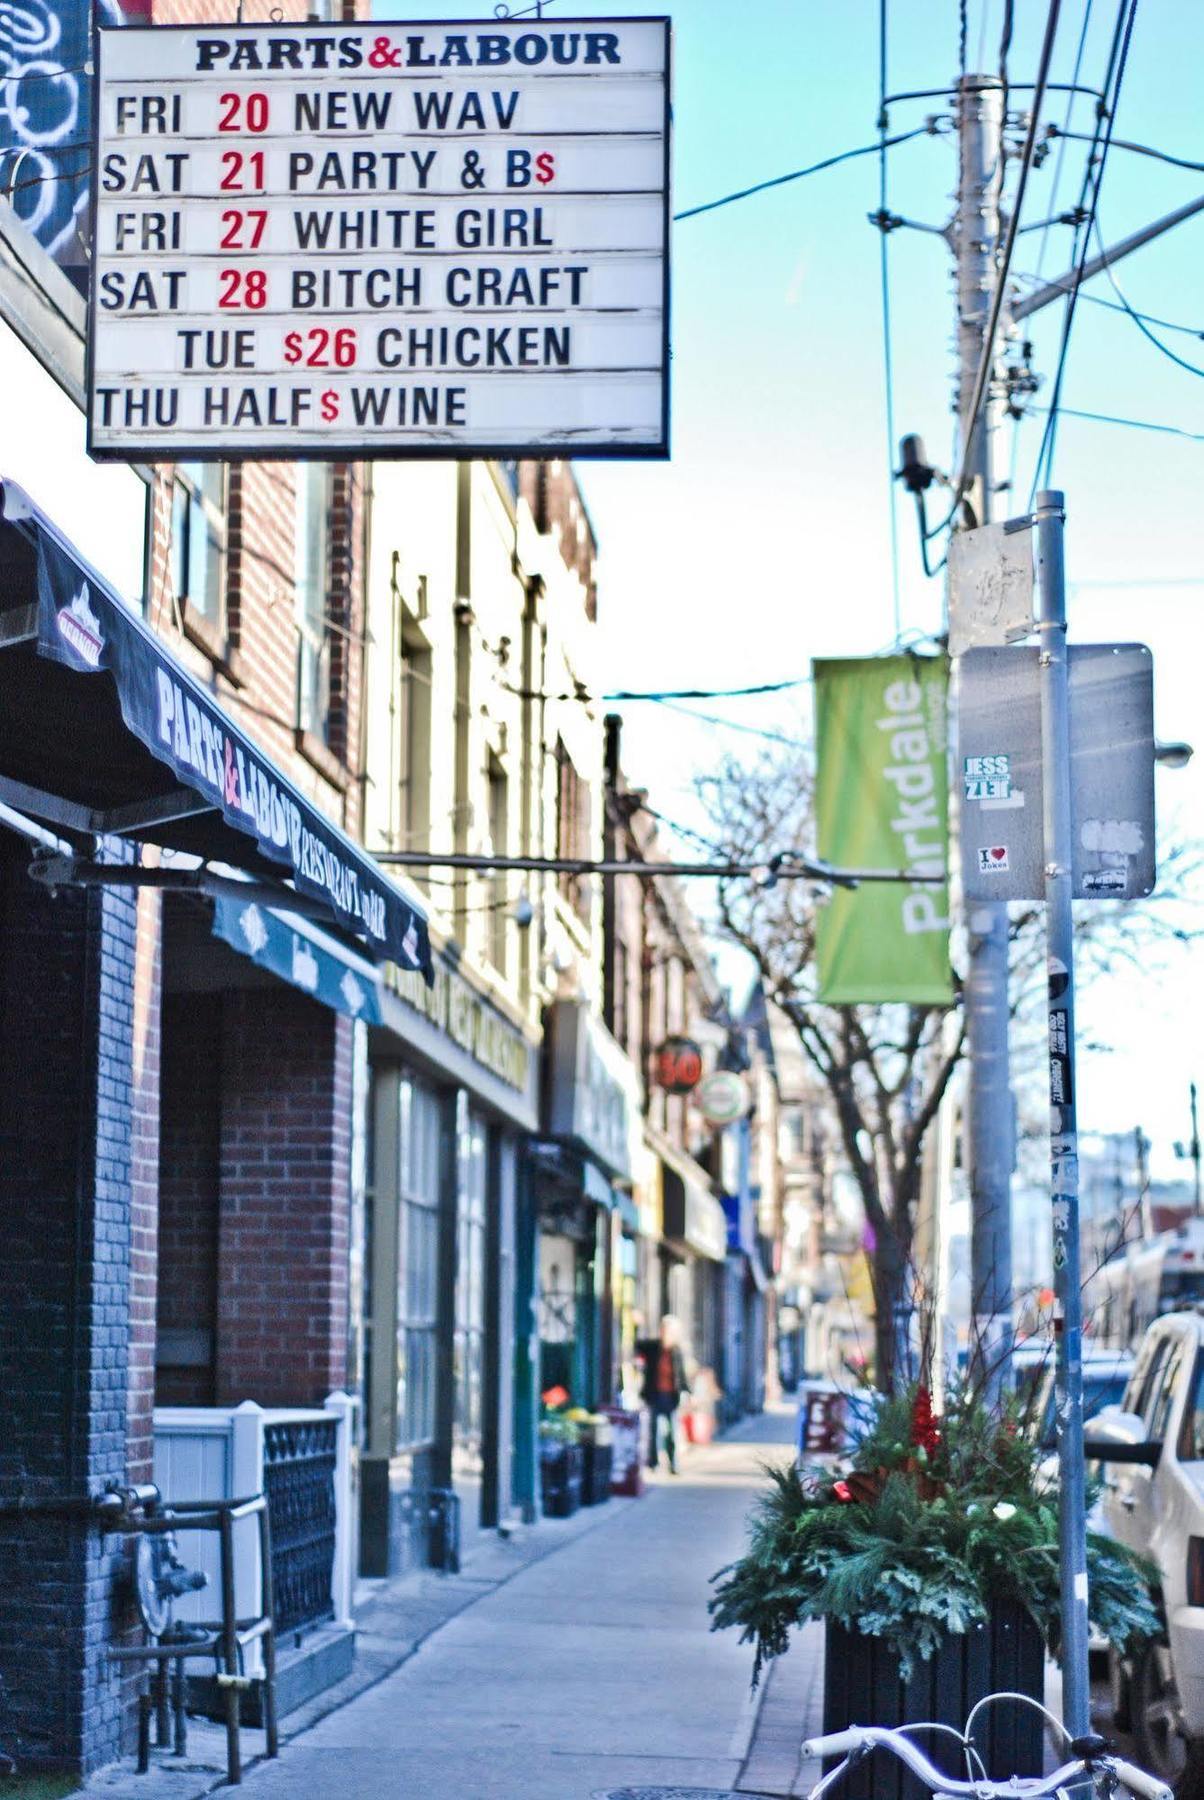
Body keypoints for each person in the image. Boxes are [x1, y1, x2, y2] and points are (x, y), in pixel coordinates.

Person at [639, 1315, 689, 1474]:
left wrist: (687, 1392)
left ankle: (673, 1464)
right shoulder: (653, 1347)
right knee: (653, 1430)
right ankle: (653, 1462)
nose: (665, 1333)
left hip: (671, 1396)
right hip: (654, 1394)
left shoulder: (676, 1351)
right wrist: (637, 1324)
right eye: (663, 1330)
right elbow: (636, 1344)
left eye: (669, 1331)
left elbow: (681, 1374)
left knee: (672, 1432)